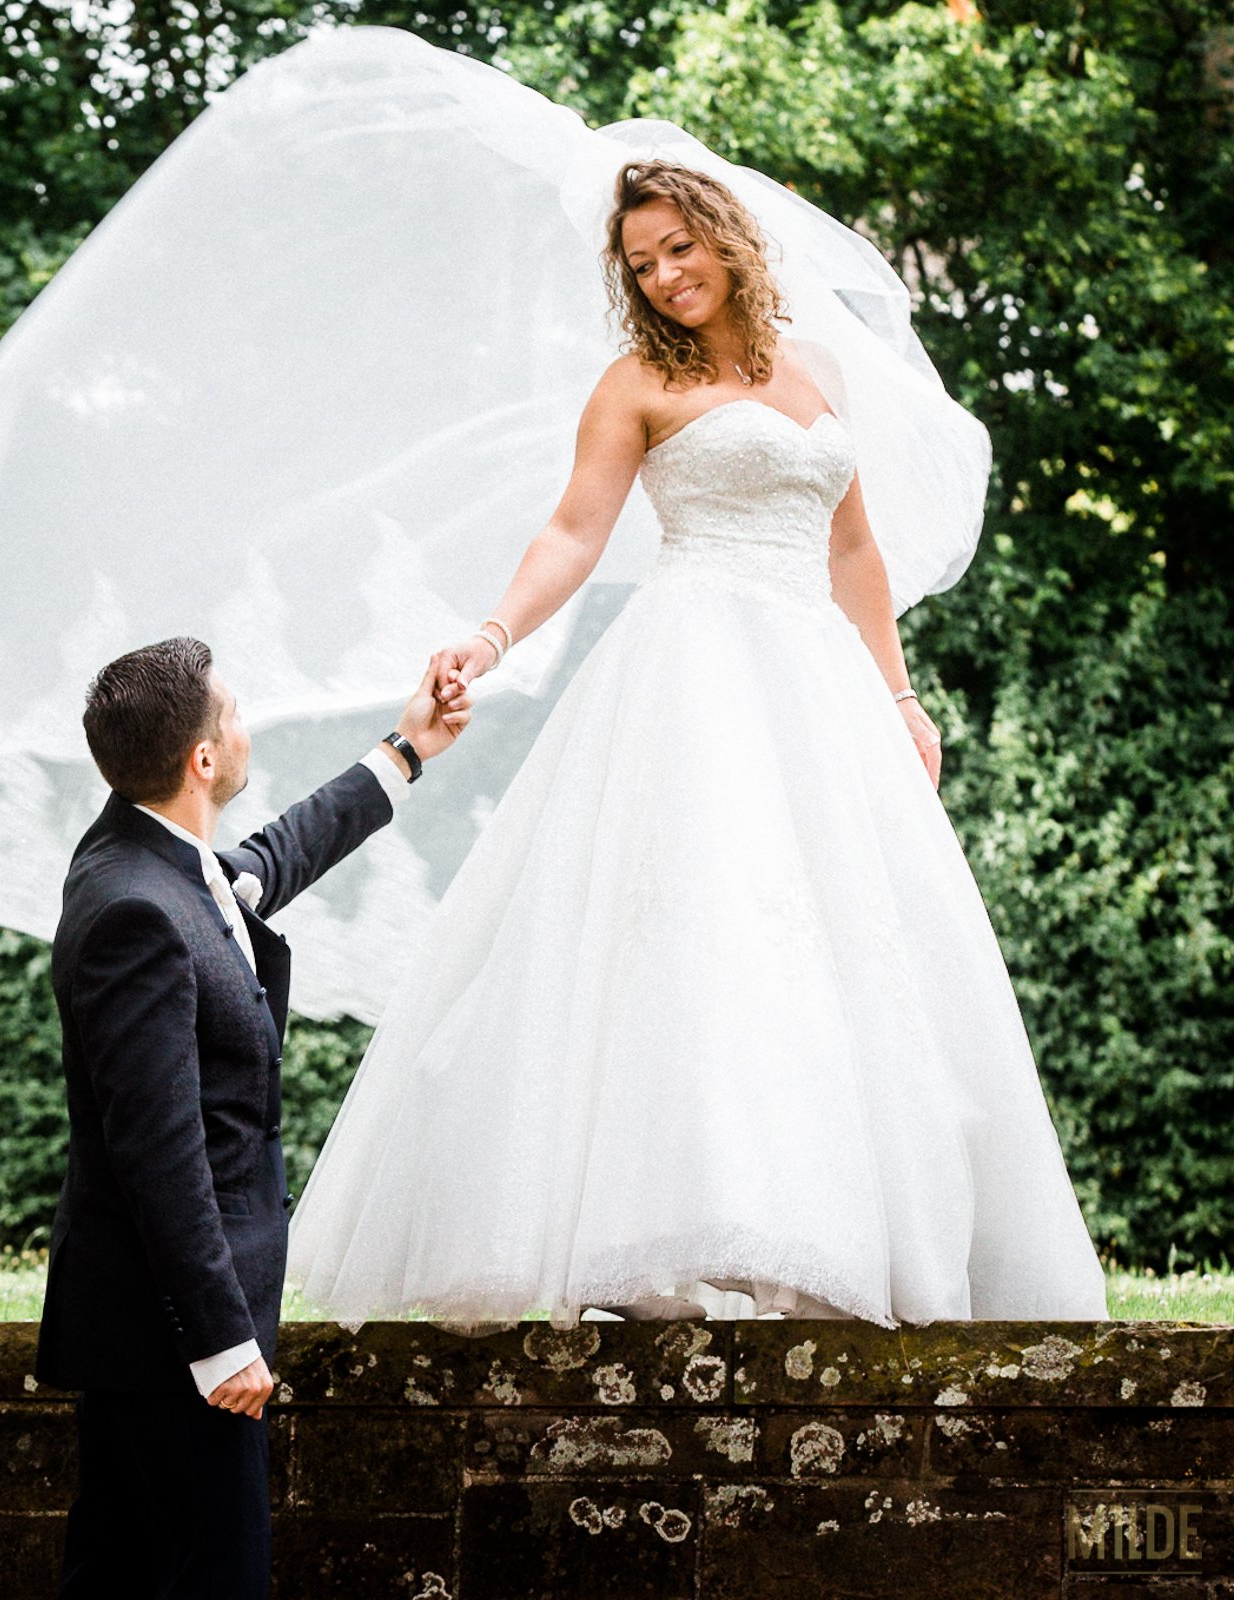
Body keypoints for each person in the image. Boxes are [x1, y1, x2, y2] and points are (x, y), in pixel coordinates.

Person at [284, 158, 1111, 1330]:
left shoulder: (816, 370)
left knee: (838, 949)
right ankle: (652, 1250)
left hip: (817, 685)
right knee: (689, 939)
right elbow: (572, 533)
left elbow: (852, 552)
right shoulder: (633, 385)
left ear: (723, 235)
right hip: (691, 673)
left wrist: (900, 695)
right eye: (641, 263)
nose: (665, 275)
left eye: (678, 247)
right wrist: (486, 638)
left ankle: (812, 1247)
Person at [34, 636, 470, 1598]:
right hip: (174, 1334)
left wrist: (404, 751)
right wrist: (221, 1341)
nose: (243, 728)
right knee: (219, 1579)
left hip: (140, 1324)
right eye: (231, 716)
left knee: (114, 1574)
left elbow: (274, 857)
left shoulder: (148, 856)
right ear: (201, 759)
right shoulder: (137, 914)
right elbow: (160, 1153)